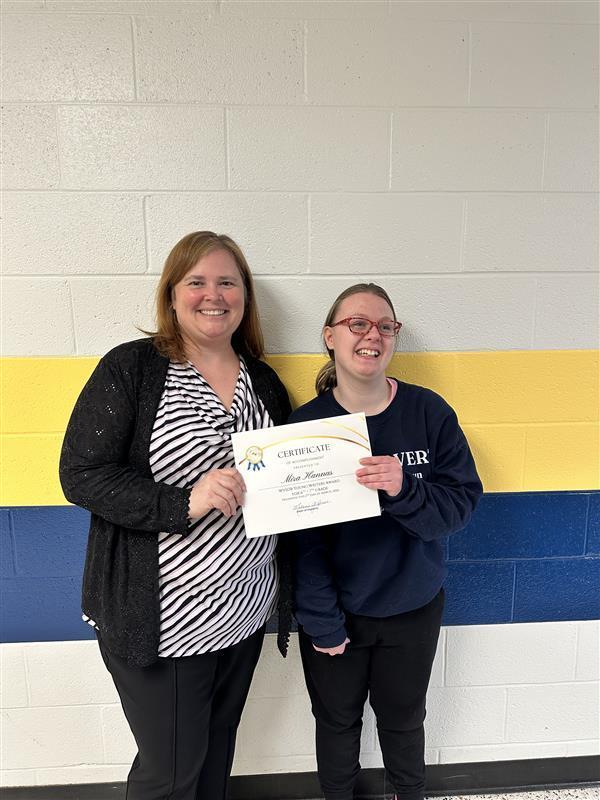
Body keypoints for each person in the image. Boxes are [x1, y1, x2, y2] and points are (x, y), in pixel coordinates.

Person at [59, 231, 292, 800]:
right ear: (172, 294)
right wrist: (183, 500)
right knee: (169, 774)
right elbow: (80, 475)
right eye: (197, 282)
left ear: (245, 298)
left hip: (243, 610)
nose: (213, 295)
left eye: (228, 282)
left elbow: (284, 479)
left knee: (213, 754)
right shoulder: (133, 369)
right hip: (163, 619)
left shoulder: (262, 380)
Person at [290, 283, 482, 800]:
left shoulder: (428, 413)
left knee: (403, 723)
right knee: (336, 724)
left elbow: (458, 508)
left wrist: (403, 487)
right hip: (338, 615)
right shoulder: (303, 428)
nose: (372, 335)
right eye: (357, 324)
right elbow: (301, 544)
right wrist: (322, 622)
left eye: (385, 326)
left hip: (413, 608)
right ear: (330, 337)